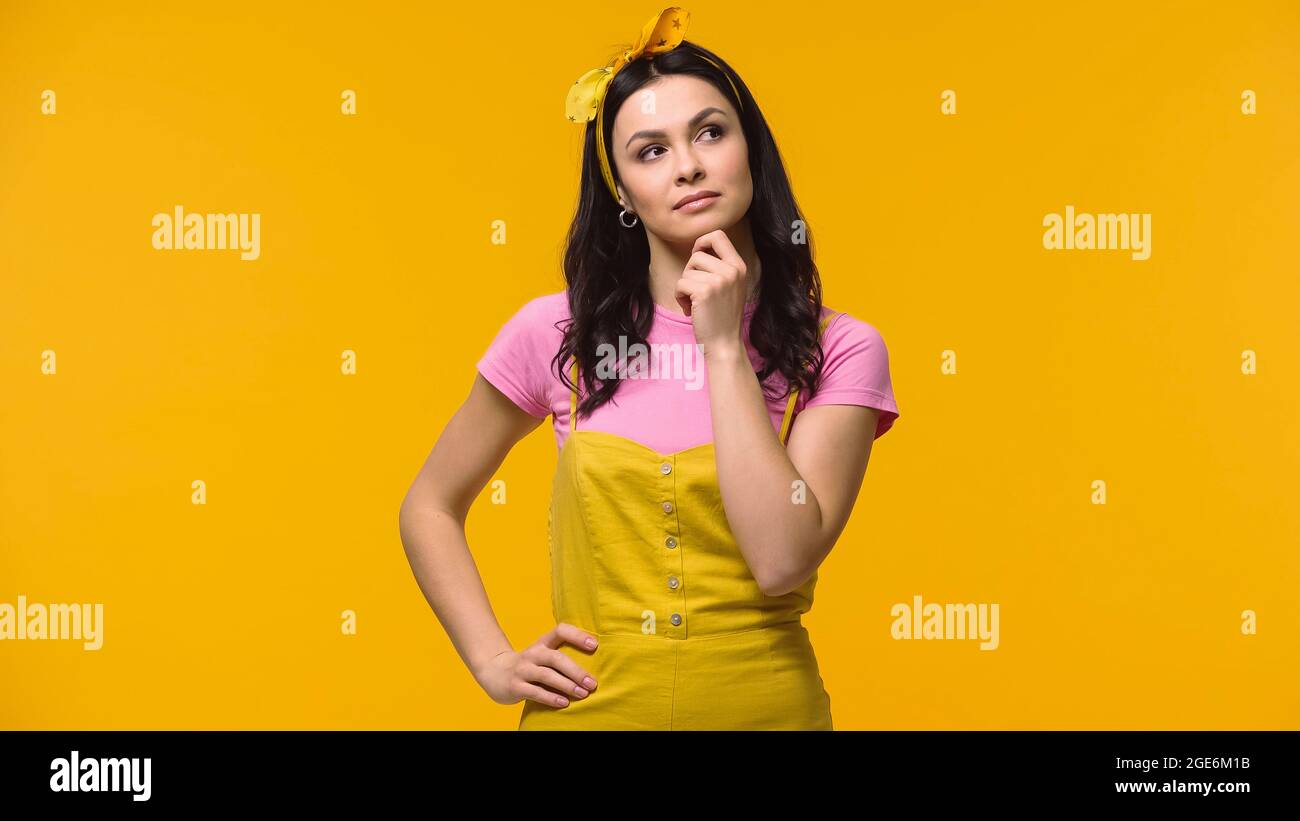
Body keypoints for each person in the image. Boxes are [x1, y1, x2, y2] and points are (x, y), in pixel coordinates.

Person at [399, 6, 900, 730]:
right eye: (650, 150)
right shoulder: (555, 331)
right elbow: (429, 505)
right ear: (623, 192)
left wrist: (723, 345)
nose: (689, 164)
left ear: (749, 149)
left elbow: (781, 558)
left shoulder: (842, 348)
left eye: (709, 132)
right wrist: (493, 661)